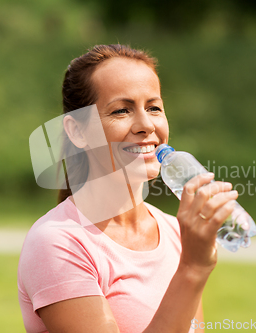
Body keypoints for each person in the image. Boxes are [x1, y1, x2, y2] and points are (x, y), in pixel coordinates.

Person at [18, 44, 239, 333]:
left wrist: (191, 263)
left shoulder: (175, 232)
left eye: (154, 108)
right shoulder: (58, 242)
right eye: (122, 110)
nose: (146, 125)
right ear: (78, 131)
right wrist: (192, 269)